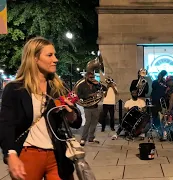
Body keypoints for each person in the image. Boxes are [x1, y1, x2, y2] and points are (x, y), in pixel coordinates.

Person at [0, 37, 82, 180]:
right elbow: (6, 124)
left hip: (58, 155)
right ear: (34, 58)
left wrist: (71, 114)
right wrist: (10, 154)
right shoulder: (15, 88)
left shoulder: (58, 87)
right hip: (28, 154)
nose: (55, 59)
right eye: (49, 55)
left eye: (55, 55)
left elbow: (76, 122)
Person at [77, 72, 106, 146]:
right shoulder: (81, 85)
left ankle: (91, 138)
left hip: (95, 106)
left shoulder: (95, 85)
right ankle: (83, 138)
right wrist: (89, 95)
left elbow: (104, 89)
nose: (92, 79)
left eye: (93, 77)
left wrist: (98, 84)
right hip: (87, 107)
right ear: (86, 77)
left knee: (94, 123)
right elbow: (79, 95)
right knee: (88, 123)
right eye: (90, 77)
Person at [150, 70, 168, 138]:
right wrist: (159, 79)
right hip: (155, 100)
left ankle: (163, 130)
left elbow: (166, 89)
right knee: (154, 115)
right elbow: (153, 87)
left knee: (162, 116)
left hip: (162, 102)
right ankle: (153, 129)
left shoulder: (165, 82)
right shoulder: (155, 82)